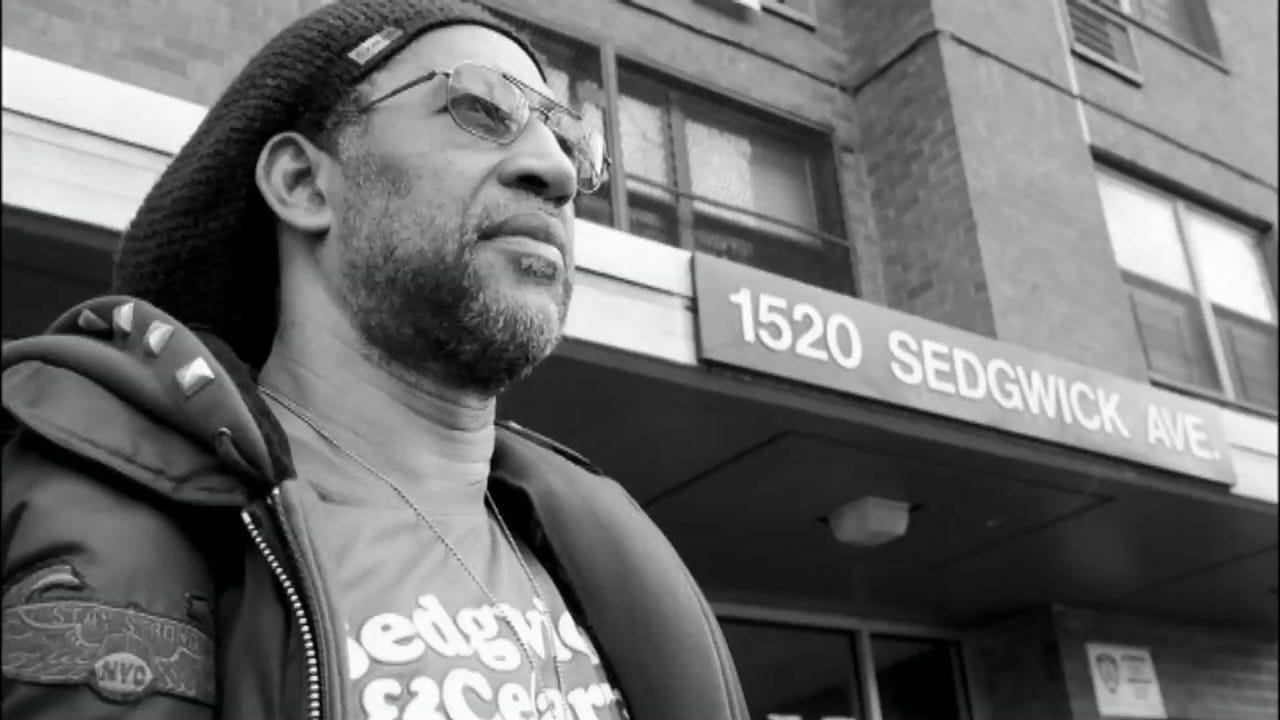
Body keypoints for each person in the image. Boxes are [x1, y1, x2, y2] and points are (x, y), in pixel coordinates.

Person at [0, 1, 748, 718]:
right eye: (482, 107)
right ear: (303, 185)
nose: (555, 172)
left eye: (572, 143)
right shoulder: (80, 508)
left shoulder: (614, 553)